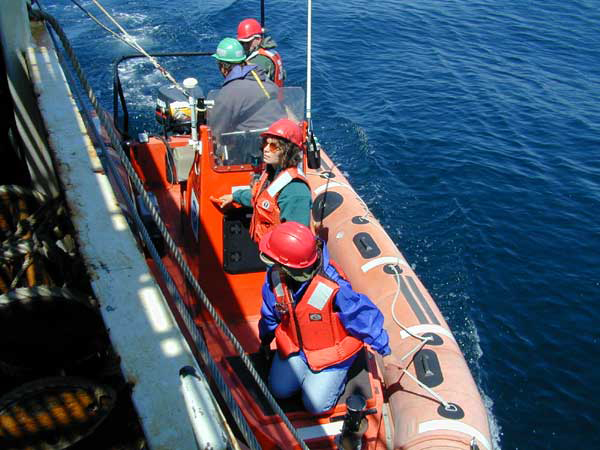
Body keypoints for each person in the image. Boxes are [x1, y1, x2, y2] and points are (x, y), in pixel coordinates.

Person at [256, 222, 393, 414]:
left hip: (331, 354)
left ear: (288, 266)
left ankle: (343, 372)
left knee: (316, 405)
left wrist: (385, 348)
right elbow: (270, 314)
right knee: (279, 390)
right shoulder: (275, 278)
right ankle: (307, 375)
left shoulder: (333, 286)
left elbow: (362, 316)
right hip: (297, 348)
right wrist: (265, 339)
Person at [215, 118, 311, 244]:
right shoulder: (272, 173)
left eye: (273, 146)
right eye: (265, 143)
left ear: (287, 150)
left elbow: (297, 241)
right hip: (267, 250)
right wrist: (235, 196)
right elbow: (262, 197)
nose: (265, 149)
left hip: (280, 258)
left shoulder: (295, 190)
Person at [209, 37, 285, 162]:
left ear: (223, 67)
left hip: (253, 152)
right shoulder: (265, 81)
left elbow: (217, 132)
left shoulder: (228, 92)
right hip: (280, 144)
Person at [237, 18, 285, 87]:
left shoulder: (257, 62)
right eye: (242, 43)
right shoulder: (273, 53)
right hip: (278, 94)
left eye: (247, 42)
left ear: (258, 39)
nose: (244, 46)